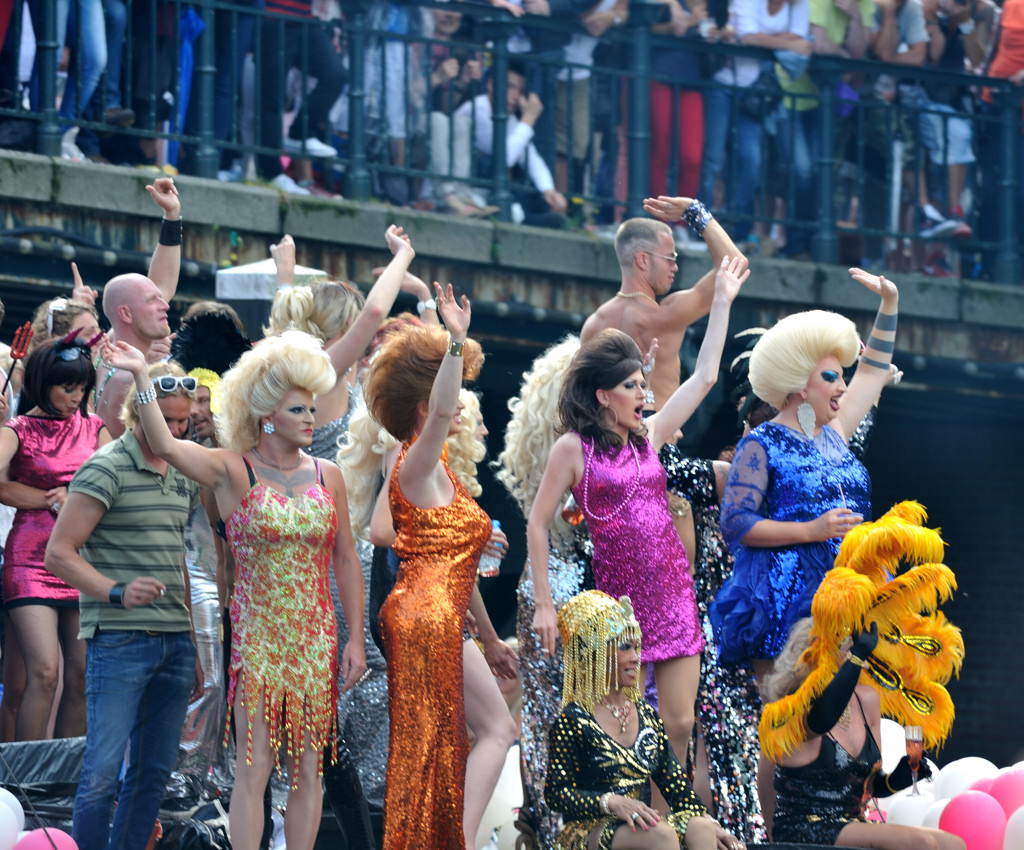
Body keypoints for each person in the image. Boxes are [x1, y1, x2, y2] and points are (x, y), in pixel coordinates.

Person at [99, 330, 367, 850]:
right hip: (258, 636)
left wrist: (354, 639)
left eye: (312, 409)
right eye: (299, 410)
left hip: (315, 636)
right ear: (267, 414)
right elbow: (167, 445)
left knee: (310, 768)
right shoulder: (230, 468)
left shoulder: (328, 474)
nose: (312, 418)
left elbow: (346, 560)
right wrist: (138, 376)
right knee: (255, 766)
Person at [529, 255, 746, 777]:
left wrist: (721, 302)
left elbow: (705, 377)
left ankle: (673, 831)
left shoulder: (650, 438)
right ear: (604, 395)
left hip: (673, 596)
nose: (643, 396)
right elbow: (538, 522)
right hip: (619, 611)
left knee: (678, 728)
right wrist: (542, 604)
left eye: (642, 387)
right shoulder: (572, 449)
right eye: (632, 387)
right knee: (622, 729)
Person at [709, 267, 899, 675]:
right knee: (794, 727)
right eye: (830, 377)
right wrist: (812, 530)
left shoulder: (836, 432)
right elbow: (736, 524)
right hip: (786, 598)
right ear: (799, 383)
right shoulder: (762, 444)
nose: (843, 387)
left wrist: (890, 304)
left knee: (855, 717)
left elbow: (873, 370)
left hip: (850, 590)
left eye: (842, 376)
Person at [44, 360, 201, 850]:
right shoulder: (106, 465)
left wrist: (193, 644)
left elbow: (184, 559)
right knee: (102, 773)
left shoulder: (183, 469)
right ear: (140, 413)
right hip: (118, 638)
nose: (174, 430)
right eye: (167, 420)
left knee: (153, 773)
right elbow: (58, 553)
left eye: (183, 422)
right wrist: (116, 590)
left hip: (174, 641)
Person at [362, 286, 491, 850]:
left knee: (450, 739)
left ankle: (444, 840)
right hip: (423, 615)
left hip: (442, 613)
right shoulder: (414, 464)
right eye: (454, 391)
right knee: (431, 742)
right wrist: (455, 339)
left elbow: (462, 566)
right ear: (424, 407)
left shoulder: (443, 473)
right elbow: (442, 406)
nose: (461, 403)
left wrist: (489, 636)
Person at [545, 590, 745, 850]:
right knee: (660, 835)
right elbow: (556, 793)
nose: (636, 657)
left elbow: (676, 786)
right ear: (595, 650)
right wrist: (612, 802)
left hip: (639, 825)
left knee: (700, 827)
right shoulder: (573, 720)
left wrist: (714, 826)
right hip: (588, 828)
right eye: (624, 647)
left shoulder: (646, 716)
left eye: (637, 647)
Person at [494, 335, 595, 850]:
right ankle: (557, 831)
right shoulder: (574, 452)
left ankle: (555, 830)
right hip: (556, 587)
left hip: (555, 585)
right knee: (551, 711)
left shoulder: (584, 449)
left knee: (551, 713)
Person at [0, 334, 108, 741]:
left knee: (80, 676)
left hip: (80, 561)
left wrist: (75, 497)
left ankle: (60, 783)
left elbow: (116, 487)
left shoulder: (94, 428)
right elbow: (1, 486)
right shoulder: (19, 428)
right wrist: (55, 500)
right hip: (30, 560)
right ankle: (28, 784)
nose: (77, 396)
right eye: (68, 387)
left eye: (83, 387)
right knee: (43, 673)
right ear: (43, 382)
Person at [583, 199, 746, 409]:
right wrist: (694, 212)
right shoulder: (666, 314)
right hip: (657, 438)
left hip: (607, 441)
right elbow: (735, 265)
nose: (675, 267)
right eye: (670, 258)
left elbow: (584, 398)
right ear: (643, 260)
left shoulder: (594, 324)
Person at [94, 176, 183, 437]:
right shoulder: (131, 377)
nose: (165, 305)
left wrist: (172, 215)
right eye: (153, 301)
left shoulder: (108, 347)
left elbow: (160, 283)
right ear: (126, 314)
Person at [454, 62, 569, 228]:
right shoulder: (477, 108)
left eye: (521, 91)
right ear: (491, 84)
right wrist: (528, 120)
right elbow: (503, 160)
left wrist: (548, 190)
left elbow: (531, 157)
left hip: (481, 193)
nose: (515, 96)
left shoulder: (512, 120)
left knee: (528, 202)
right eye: (510, 87)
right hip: (462, 192)